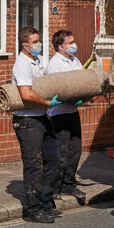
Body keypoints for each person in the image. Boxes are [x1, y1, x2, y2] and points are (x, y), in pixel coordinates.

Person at [11, 27, 61, 223]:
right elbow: (26, 94)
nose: (39, 45)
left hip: (43, 117)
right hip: (27, 120)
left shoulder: (38, 60)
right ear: (25, 45)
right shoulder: (21, 64)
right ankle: (32, 209)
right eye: (35, 42)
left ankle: (46, 201)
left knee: (54, 159)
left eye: (39, 41)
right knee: (34, 165)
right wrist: (48, 103)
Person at [44, 30, 87, 205]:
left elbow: (82, 81)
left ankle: (69, 183)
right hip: (59, 114)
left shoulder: (75, 60)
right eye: (69, 43)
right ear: (60, 46)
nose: (73, 45)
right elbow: (59, 88)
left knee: (75, 150)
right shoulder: (54, 64)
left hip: (72, 112)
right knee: (61, 153)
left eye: (73, 41)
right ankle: (55, 187)